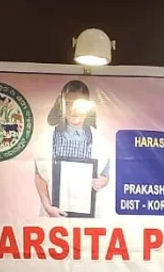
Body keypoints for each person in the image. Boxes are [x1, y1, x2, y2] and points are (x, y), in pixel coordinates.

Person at [33, 80, 111, 218]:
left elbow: (105, 175)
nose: (73, 110)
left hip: (88, 215)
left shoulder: (101, 142)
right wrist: (47, 206)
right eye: (68, 104)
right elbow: (40, 176)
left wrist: (102, 181)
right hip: (54, 214)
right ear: (61, 105)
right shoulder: (46, 139)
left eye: (79, 105)